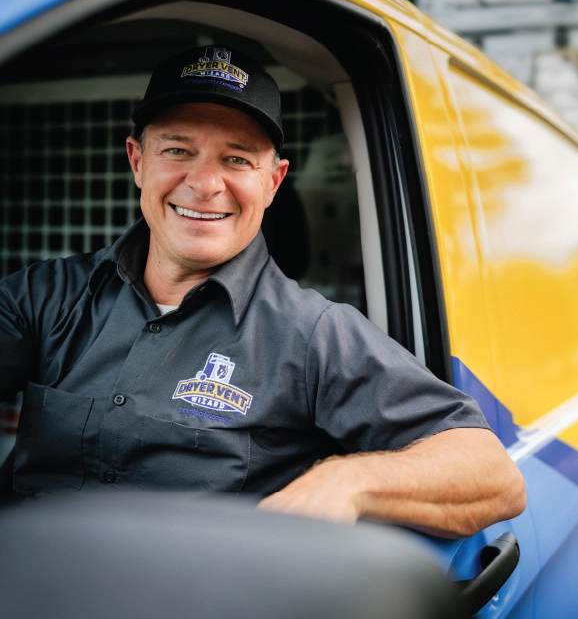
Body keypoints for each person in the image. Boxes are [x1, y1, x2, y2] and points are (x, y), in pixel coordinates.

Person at [0, 45, 525, 537]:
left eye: (236, 159)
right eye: (178, 149)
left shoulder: (313, 334)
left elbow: (492, 475)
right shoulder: (46, 296)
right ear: (138, 161)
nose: (205, 185)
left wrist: (344, 482)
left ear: (273, 181)